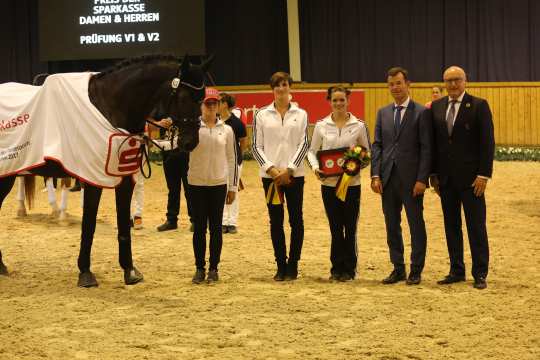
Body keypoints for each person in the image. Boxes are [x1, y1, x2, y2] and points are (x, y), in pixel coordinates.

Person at [427, 66, 495, 290]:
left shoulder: (479, 106)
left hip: (472, 180)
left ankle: (480, 273)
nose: (453, 84)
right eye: (449, 81)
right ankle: (456, 270)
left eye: (457, 80)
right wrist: (434, 174)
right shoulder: (436, 107)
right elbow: (435, 145)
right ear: (444, 83)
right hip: (445, 180)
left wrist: (483, 175)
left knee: (476, 226)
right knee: (451, 226)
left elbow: (487, 144)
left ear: (466, 81)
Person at [370, 67, 432, 285]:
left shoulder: (422, 112)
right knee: (391, 225)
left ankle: (416, 268)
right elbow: (377, 145)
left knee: (416, 224)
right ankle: (398, 267)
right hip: (387, 179)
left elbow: (426, 148)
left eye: (398, 83)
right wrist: (375, 175)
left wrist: (422, 179)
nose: (395, 87)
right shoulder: (383, 112)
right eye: (391, 84)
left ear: (408, 84)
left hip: (412, 180)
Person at [307, 86, 370, 282]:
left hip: (352, 185)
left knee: (350, 228)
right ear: (329, 102)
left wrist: (357, 167)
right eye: (335, 100)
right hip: (328, 185)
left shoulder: (359, 125)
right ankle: (336, 268)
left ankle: (350, 269)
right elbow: (311, 151)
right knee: (335, 228)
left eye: (342, 100)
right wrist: (316, 168)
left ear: (347, 101)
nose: (339, 103)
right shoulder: (321, 125)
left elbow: (367, 153)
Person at [252, 71, 309, 281]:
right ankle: (280, 264)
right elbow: (256, 147)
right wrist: (272, 170)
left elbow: (304, 144)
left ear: (290, 87)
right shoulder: (261, 115)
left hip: (295, 176)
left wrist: (290, 169)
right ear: (272, 89)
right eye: (277, 85)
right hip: (271, 178)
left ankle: (293, 264)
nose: (281, 88)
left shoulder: (301, 114)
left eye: (284, 84)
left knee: (296, 220)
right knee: (275, 221)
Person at [189, 87, 238, 284]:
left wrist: (232, 187)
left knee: (216, 227)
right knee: (199, 228)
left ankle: (214, 268)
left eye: (214, 104)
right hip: (196, 184)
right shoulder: (192, 128)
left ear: (218, 106)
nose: (210, 108)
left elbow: (232, 158)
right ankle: (199, 268)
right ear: (201, 106)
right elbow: (175, 144)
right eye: (207, 104)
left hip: (218, 184)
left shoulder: (227, 130)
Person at [155, 118, 193, 232]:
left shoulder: (186, 105)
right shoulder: (162, 105)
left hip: (186, 151)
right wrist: (159, 123)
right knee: (172, 188)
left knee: (189, 188)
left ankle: (195, 220)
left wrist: (175, 120)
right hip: (168, 150)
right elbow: (150, 119)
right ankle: (171, 220)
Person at [218, 92, 247, 234]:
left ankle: (232, 222)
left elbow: (243, 142)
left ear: (225, 104)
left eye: (219, 101)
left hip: (234, 162)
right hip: (218, 162)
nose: (216, 104)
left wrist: (236, 158)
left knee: (233, 190)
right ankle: (223, 221)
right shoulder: (215, 121)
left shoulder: (237, 123)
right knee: (221, 191)